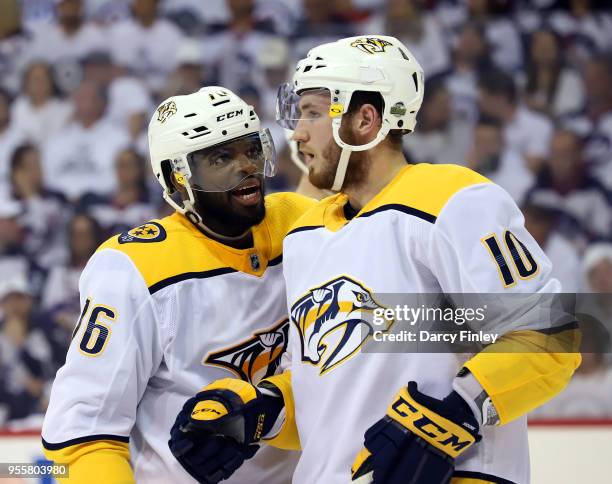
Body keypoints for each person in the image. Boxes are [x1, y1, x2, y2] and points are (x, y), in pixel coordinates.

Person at [171, 36, 581, 484]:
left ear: (365, 119)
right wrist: (262, 409)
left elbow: (552, 334)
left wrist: (456, 414)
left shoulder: (452, 199)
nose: (298, 132)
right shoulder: (305, 235)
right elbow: (324, 386)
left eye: (313, 112)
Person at [41, 86, 314, 483]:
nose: (246, 166)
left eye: (251, 149)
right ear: (176, 178)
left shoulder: (306, 223)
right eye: (221, 157)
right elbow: (84, 433)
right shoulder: (133, 268)